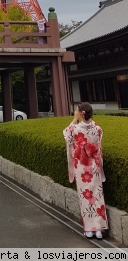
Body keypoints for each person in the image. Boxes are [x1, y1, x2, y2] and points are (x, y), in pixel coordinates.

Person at [63, 102, 108, 239]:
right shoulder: (98, 129)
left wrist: (75, 119)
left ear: (80, 113)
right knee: (97, 196)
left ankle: (89, 229)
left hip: (82, 167)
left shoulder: (75, 129)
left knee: (85, 197)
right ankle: (99, 229)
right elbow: (99, 150)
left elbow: (67, 136)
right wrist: (100, 166)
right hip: (94, 165)